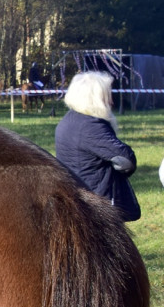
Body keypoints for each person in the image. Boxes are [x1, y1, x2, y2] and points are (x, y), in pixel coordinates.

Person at [54, 71, 140, 221]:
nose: (111, 102)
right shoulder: (91, 126)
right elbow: (126, 160)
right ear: (95, 98)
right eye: (106, 97)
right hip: (97, 203)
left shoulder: (68, 120)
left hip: (78, 197)